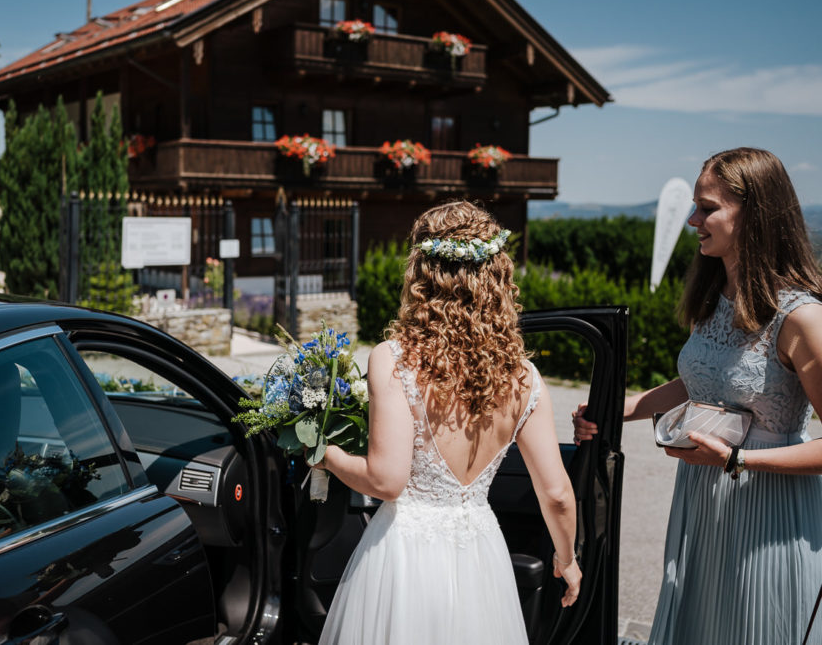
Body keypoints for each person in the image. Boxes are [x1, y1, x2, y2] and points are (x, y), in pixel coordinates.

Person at [573, 147, 822, 644]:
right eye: (694, 206)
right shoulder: (714, 300)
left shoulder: (803, 319)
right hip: (702, 500)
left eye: (707, 208)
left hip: (769, 510)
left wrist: (737, 459)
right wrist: (618, 409)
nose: (692, 220)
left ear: (755, 216)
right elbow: (705, 380)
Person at [317, 201, 581, 644]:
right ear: (498, 276)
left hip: (404, 557)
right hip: (481, 555)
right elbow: (556, 494)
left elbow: (386, 481)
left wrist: (325, 455)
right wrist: (567, 559)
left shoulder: (394, 359)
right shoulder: (525, 378)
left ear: (421, 274)